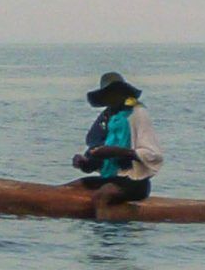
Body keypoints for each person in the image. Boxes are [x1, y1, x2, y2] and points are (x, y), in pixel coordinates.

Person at [68, 71, 164, 218]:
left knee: (103, 195)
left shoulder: (137, 114)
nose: (111, 98)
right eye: (107, 95)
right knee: (71, 188)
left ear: (123, 93)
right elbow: (96, 156)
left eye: (114, 93)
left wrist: (118, 151)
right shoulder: (106, 118)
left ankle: (106, 235)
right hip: (111, 177)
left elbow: (153, 155)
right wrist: (84, 163)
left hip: (134, 182)